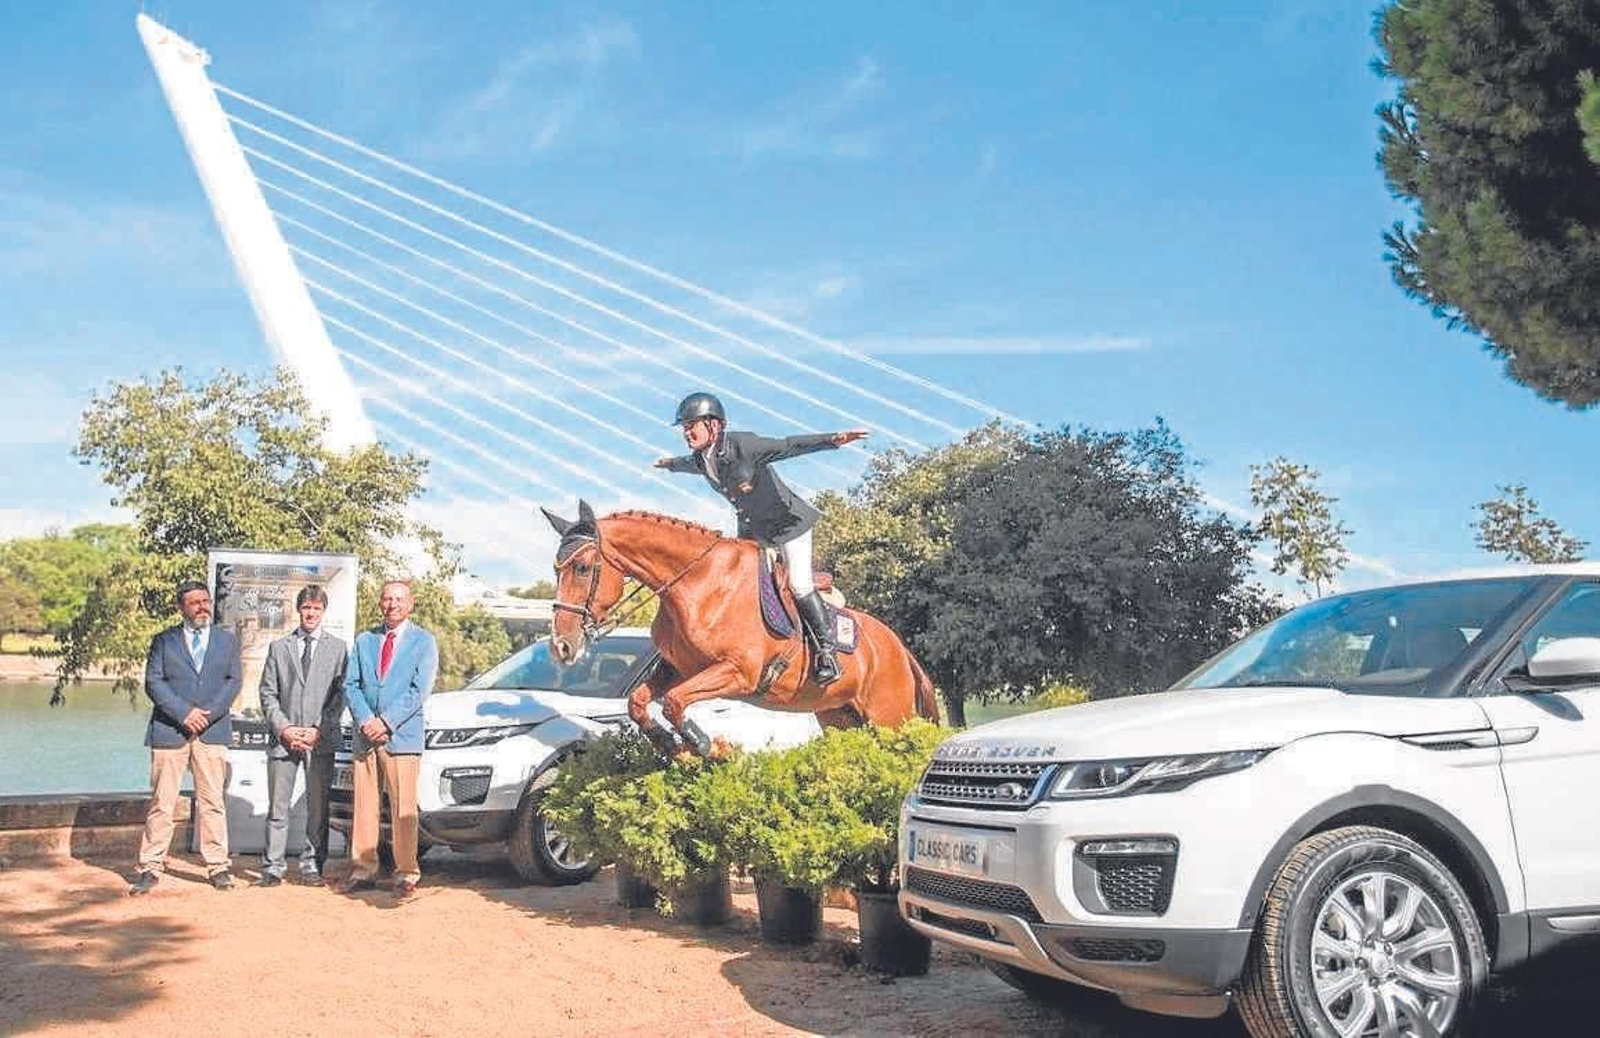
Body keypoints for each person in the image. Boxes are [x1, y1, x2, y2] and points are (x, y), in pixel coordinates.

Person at [655, 392, 867, 685]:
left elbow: (788, 446)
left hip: (789, 525)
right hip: (754, 530)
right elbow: (687, 464)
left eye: (692, 425)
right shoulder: (701, 459)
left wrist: (833, 439)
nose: (687, 432)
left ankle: (826, 653)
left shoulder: (744, 445)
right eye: (684, 427)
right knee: (738, 583)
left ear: (715, 426)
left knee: (799, 584)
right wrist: (669, 464)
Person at [129, 579, 242, 895]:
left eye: (206, 601)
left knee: (212, 802)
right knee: (162, 803)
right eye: (195, 602)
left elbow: (233, 682)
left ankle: (218, 866)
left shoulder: (227, 641)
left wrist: (206, 714)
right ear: (182, 607)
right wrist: (184, 714)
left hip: (212, 730)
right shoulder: (163, 641)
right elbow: (153, 683)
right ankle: (150, 867)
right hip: (170, 731)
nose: (203, 607)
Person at [338, 579, 437, 899]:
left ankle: (406, 873)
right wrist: (367, 720)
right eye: (386, 599)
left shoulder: (424, 642)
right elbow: (351, 684)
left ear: (411, 604)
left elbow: (418, 691)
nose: (392, 604)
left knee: (403, 808)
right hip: (366, 736)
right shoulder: (365, 640)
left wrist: (386, 722)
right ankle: (363, 869)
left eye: (398, 599)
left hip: (401, 736)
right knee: (364, 806)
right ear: (380, 603)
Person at [256, 584, 347, 887]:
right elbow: (267, 693)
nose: (311, 613)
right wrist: (285, 729)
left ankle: (311, 866)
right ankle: (273, 867)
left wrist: (318, 729)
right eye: (306, 608)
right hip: (285, 740)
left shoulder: (338, 649)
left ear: (323, 612)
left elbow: (340, 696)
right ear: (299, 610)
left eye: (316, 608)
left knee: (317, 808)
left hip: (319, 740)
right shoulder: (279, 648)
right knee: (277, 807)